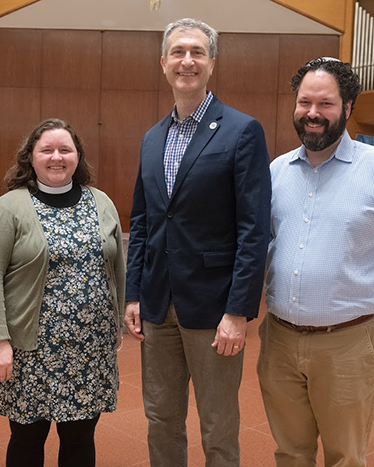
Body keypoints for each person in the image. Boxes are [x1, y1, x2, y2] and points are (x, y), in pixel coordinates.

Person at [257, 57, 374, 467]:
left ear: (348, 107)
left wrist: (368, 285)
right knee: (290, 453)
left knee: (346, 458)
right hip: (280, 341)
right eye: (304, 103)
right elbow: (262, 243)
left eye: (326, 104)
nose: (312, 114)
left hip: (347, 345)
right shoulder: (276, 171)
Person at [125, 18, 271, 467]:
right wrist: (133, 294)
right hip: (157, 303)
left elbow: (254, 229)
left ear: (211, 64)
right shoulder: (152, 138)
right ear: (163, 63)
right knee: (161, 419)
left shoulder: (242, 131)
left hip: (213, 308)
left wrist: (238, 312)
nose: (187, 61)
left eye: (197, 52)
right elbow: (144, 221)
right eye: (178, 52)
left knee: (218, 425)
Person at [0, 118, 125, 467]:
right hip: (30, 352)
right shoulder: (9, 207)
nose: (56, 157)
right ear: (31, 158)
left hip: (90, 350)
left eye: (65, 150)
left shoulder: (101, 202)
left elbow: (116, 267)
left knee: (81, 440)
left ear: (77, 157)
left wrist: (116, 321)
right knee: (27, 439)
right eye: (46, 150)